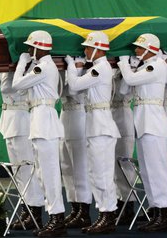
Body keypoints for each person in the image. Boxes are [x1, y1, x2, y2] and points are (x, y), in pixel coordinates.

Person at [118, 33, 167, 232]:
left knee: (157, 169)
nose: (135, 50)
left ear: (150, 49)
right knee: (146, 170)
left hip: (153, 123)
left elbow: (131, 79)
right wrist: (132, 67)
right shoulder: (144, 66)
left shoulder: (158, 65)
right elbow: (124, 90)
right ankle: (156, 210)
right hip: (143, 122)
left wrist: (124, 64)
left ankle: (165, 212)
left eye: (139, 48)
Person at [65, 31, 120, 234]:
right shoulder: (97, 68)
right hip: (95, 126)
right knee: (95, 172)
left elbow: (75, 85)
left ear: (97, 49)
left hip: (101, 127)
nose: (85, 50)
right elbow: (74, 91)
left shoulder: (101, 69)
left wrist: (72, 66)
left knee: (102, 173)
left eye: (87, 47)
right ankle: (104, 214)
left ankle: (108, 215)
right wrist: (78, 70)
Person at [12, 30, 66, 237]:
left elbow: (17, 84)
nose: (27, 50)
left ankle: (57, 220)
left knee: (50, 173)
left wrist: (21, 64)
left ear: (38, 47)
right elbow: (21, 90)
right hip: (39, 119)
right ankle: (54, 217)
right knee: (43, 173)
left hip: (45, 120)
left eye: (29, 47)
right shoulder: (40, 67)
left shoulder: (43, 67)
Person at [0, 71, 45, 230]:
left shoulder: (24, 71)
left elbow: (7, 87)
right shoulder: (6, 71)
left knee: (28, 170)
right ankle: (26, 209)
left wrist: (12, 67)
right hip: (9, 122)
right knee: (17, 172)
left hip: (21, 122)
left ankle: (35, 211)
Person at [59, 57, 92, 229]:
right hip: (65, 117)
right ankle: (74, 207)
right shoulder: (66, 68)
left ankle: (84, 211)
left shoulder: (88, 69)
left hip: (79, 117)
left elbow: (73, 90)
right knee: (66, 167)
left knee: (80, 168)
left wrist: (75, 66)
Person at [111, 66, 136, 224]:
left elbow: (123, 91)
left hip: (123, 114)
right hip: (110, 114)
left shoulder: (127, 71)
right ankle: (119, 202)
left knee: (125, 164)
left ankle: (129, 204)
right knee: (113, 165)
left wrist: (123, 67)